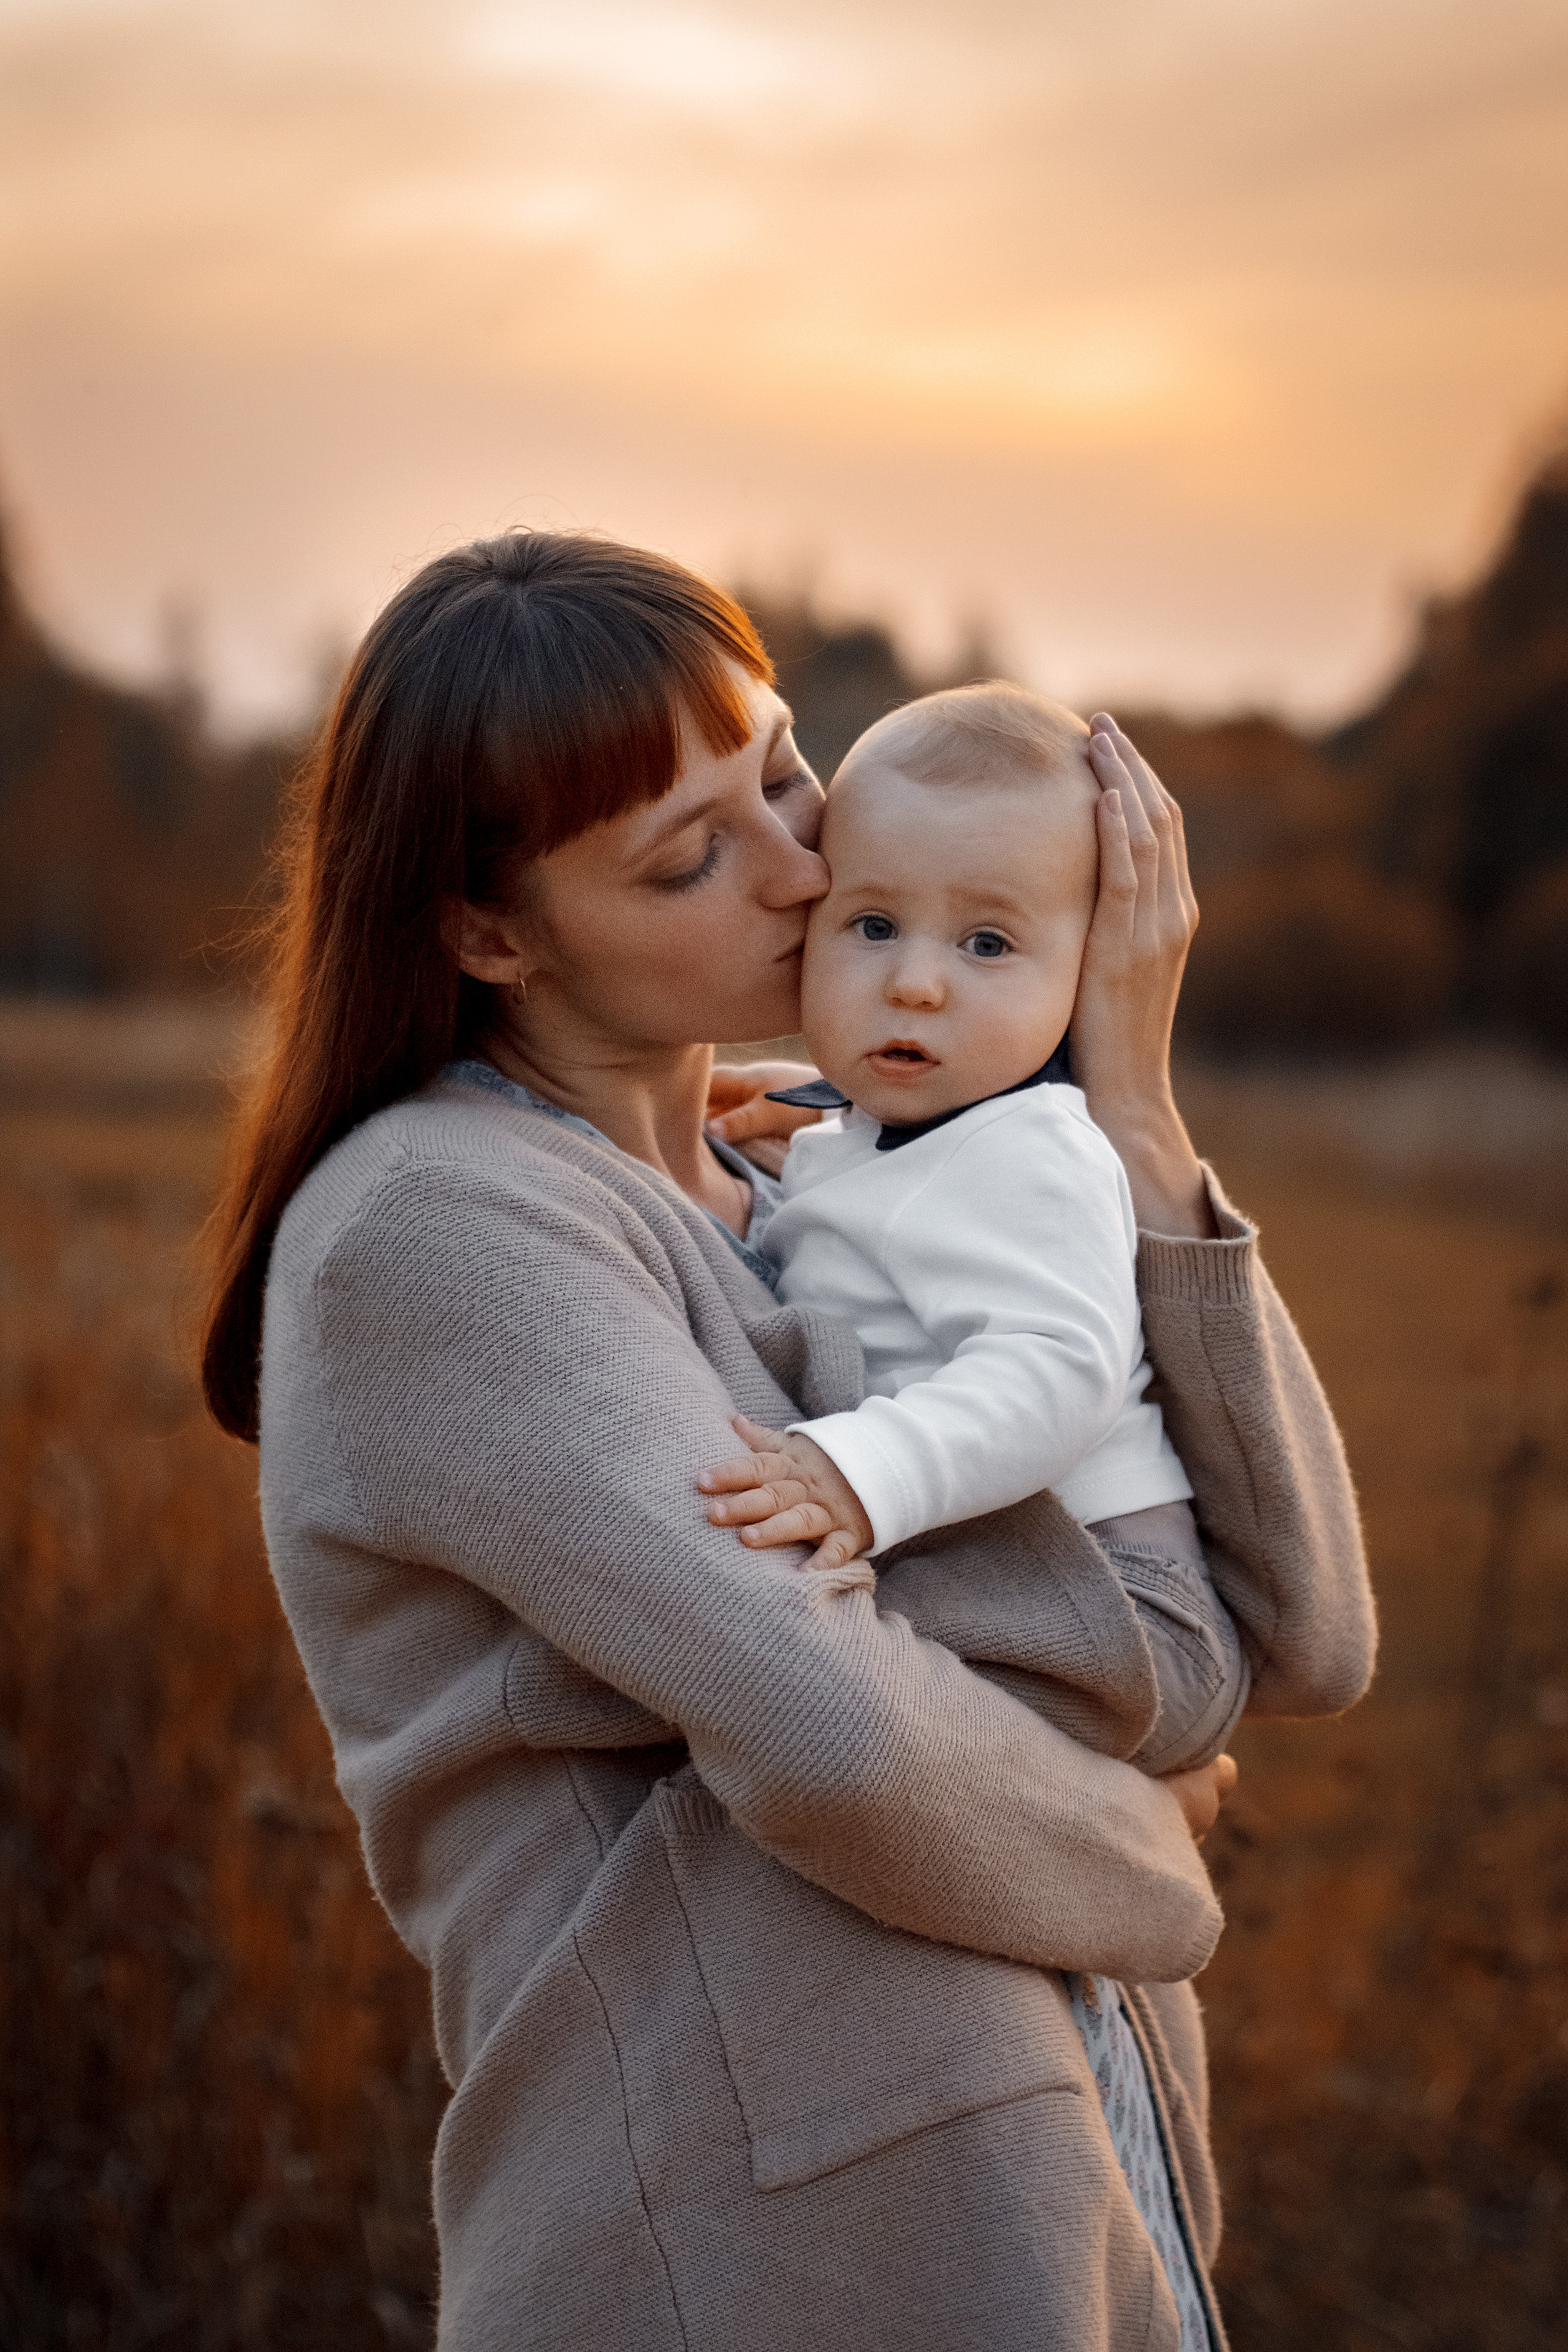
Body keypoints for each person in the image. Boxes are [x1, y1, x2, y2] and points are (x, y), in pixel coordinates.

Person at [202, 530, 1376, 2352]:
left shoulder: (814, 1173)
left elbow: (1296, 1631)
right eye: (694, 855)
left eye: (781, 776)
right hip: (741, 2234)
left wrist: (1126, 1111)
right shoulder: (438, 1227)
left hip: (1063, 2147)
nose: (804, 867)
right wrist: (1143, 1840)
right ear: (487, 930)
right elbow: (828, 1725)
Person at [697, 680, 1248, 1782]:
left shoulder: (1030, 1147)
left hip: (1121, 1598)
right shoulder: (873, 1131)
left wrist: (860, 1471)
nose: (913, 984)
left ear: (1086, 972)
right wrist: (808, 1134)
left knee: (800, 1697)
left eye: (987, 944)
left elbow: (1055, 1370)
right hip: (1026, 1569)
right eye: (870, 925)